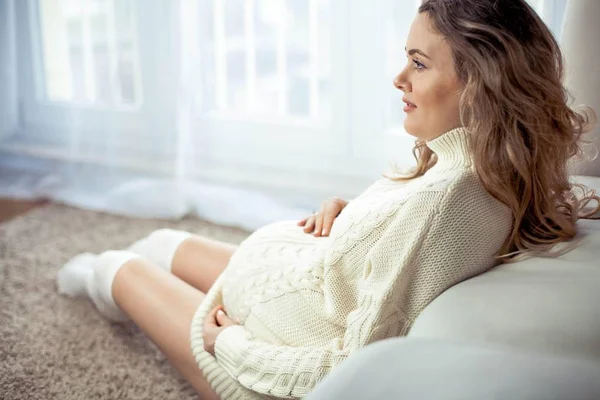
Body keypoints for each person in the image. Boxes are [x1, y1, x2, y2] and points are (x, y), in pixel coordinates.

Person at [56, 0, 600, 399]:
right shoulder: (489, 165)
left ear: (480, 84)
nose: (398, 78)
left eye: (418, 63)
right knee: (161, 240)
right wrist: (353, 218)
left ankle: (105, 282)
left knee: (117, 264)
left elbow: (348, 367)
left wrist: (231, 346)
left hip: (258, 360)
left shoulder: (451, 200)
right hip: (291, 281)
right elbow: (407, 239)